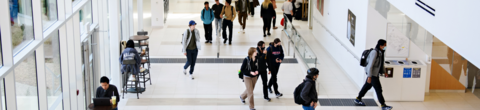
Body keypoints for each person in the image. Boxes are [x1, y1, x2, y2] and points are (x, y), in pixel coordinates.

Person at [354, 39, 393, 110]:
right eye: (385, 46)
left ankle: (358, 98)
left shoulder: (380, 52)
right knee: (379, 89)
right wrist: (369, 76)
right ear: (380, 46)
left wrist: (384, 72)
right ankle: (383, 105)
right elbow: (370, 65)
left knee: (367, 86)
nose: (385, 47)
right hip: (373, 74)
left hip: (374, 74)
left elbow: (380, 64)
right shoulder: (375, 53)